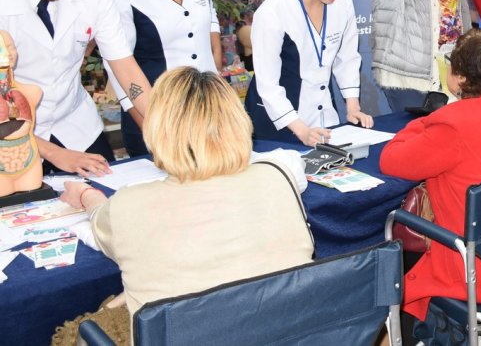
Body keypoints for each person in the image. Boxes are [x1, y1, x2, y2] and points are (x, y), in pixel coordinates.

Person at [59, 67, 313, 321]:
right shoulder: (277, 177)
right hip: (288, 329)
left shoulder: (127, 206)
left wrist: (84, 194)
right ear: (238, 121)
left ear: (158, 129)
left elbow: (101, 220)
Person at [380, 29, 481, 339]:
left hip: (477, 268)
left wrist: (429, 120)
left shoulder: (452, 125)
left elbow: (391, 159)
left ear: (460, 78)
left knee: (401, 246)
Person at [0, 0, 153, 176]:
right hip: (10, 134)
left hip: (75, 125)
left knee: (106, 199)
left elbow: (124, 65)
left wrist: (160, 126)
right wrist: (54, 153)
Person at [105, 0, 223, 157]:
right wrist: (149, 126)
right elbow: (117, 69)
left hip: (208, 107)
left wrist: (214, 41)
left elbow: (207, 8)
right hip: (157, 114)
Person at [245, 0, 373, 146]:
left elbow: (348, 58)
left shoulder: (343, 1)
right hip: (279, 125)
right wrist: (300, 129)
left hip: (324, 118)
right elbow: (268, 84)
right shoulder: (273, 12)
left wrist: (353, 106)